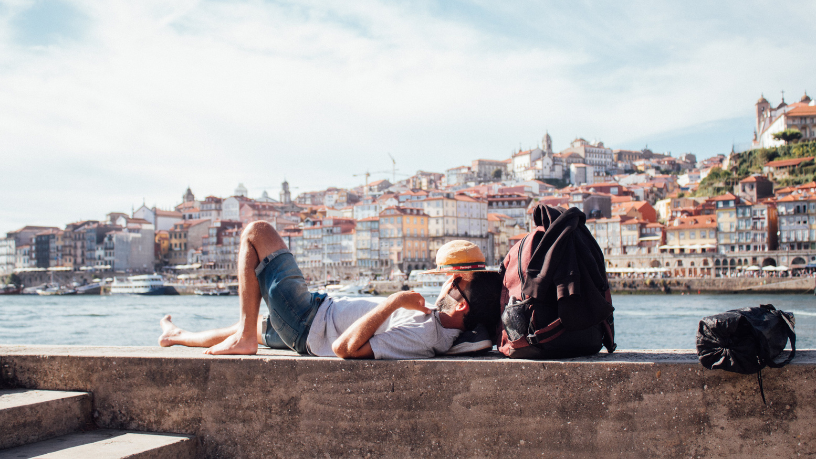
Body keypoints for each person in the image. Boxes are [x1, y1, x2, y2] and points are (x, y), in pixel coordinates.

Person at [159, 221, 502, 359]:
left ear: (460, 306)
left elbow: (344, 349)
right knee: (236, 328)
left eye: (454, 283)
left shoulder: (425, 332)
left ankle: (246, 337)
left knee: (256, 232)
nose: (445, 284)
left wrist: (394, 301)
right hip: (314, 324)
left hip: (310, 321)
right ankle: (176, 336)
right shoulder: (445, 325)